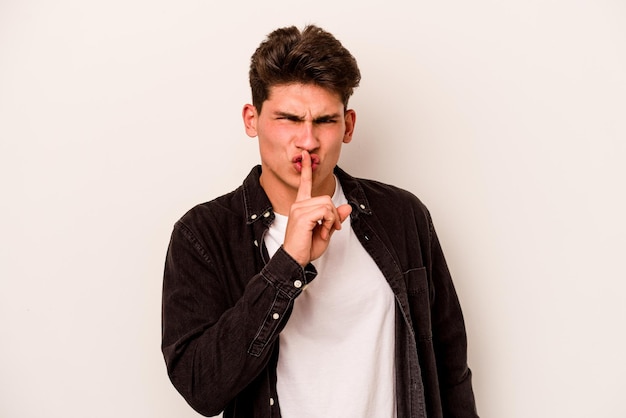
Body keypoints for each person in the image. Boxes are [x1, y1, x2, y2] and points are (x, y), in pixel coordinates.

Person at [161, 24, 479, 418]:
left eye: (324, 121)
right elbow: (201, 388)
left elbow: (449, 367)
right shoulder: (202, 234)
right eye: (289, 119)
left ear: (347, 126)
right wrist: (287, 265)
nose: (308, 141)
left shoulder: (403, 216)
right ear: (251, 119)